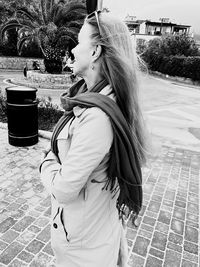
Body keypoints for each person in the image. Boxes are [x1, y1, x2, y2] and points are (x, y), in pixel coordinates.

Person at [40, 10, 147, 267]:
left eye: (79, 42)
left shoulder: (98, 117)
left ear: (96, 51)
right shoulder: (93, 99)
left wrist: (46, 162)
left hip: (83, 253)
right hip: (91, 236)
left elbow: (65, 189)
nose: (73, 50)